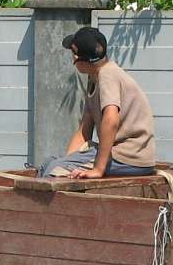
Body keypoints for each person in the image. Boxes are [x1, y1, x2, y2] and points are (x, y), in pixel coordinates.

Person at [37, 26, 157, 179]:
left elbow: (111, 119)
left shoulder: (107, 74)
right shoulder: (94, 77)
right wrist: (67, 161)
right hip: (120, 156)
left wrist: (98, 169)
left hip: (129, 157)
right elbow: (84, 130)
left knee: (55, 169)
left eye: (72, 53)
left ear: (78, 58)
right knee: (51, 163)